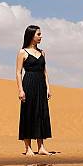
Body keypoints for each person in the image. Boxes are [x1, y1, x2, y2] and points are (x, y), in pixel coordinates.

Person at [16, 25, 52, 156]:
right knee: (28, 114)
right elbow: (18, 72)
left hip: (41, 85)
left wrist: (48, 87)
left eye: (41, 34)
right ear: (31, 35)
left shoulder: (42, 53)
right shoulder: (22, 52)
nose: (41, 37)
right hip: (28, 84)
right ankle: (28, 148)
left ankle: (41, 147)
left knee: (41, 114)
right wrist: (21, 90)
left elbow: (44, 71)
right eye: (38, 34)